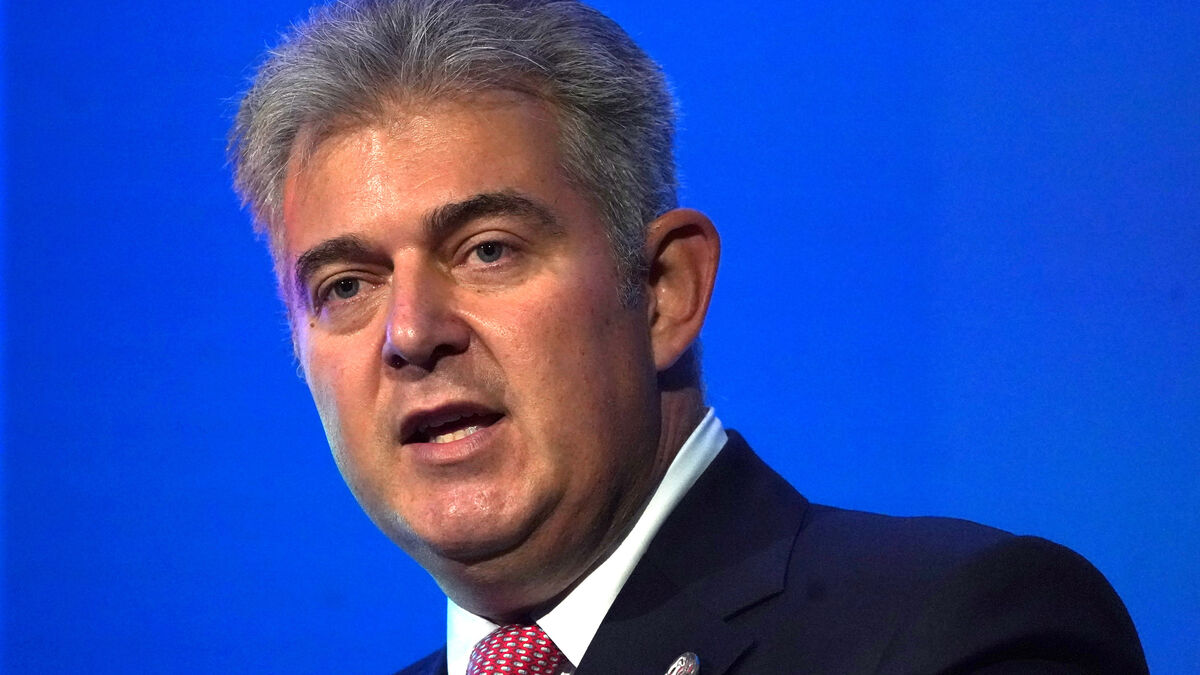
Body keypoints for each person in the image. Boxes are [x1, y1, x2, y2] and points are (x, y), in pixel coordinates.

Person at [228, 1, 1148, 673]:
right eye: (345, 285)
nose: (411, 332)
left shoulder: (957, 631)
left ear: (666, 291)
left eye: (488, 250)